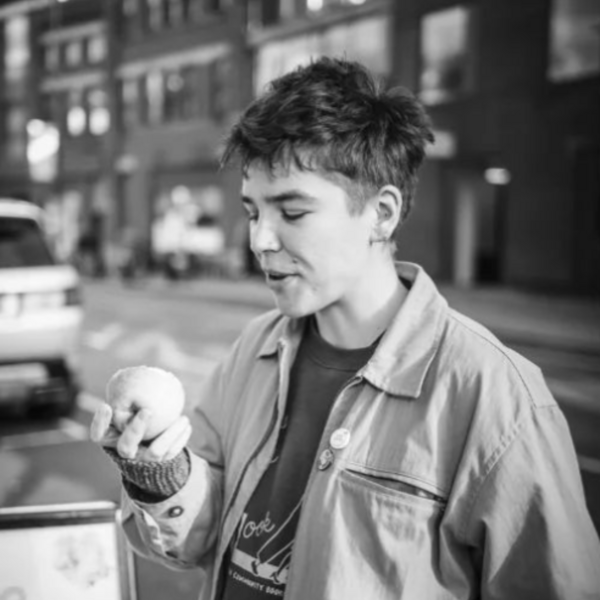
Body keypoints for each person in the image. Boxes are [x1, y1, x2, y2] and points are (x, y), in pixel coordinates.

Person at [91, 57, 600, 599]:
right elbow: (203, 536)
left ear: (381, 213)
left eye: (292, 212)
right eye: (252, 211)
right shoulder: (254, 350)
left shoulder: (496, 398)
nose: (260, 240)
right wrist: (161, 473)